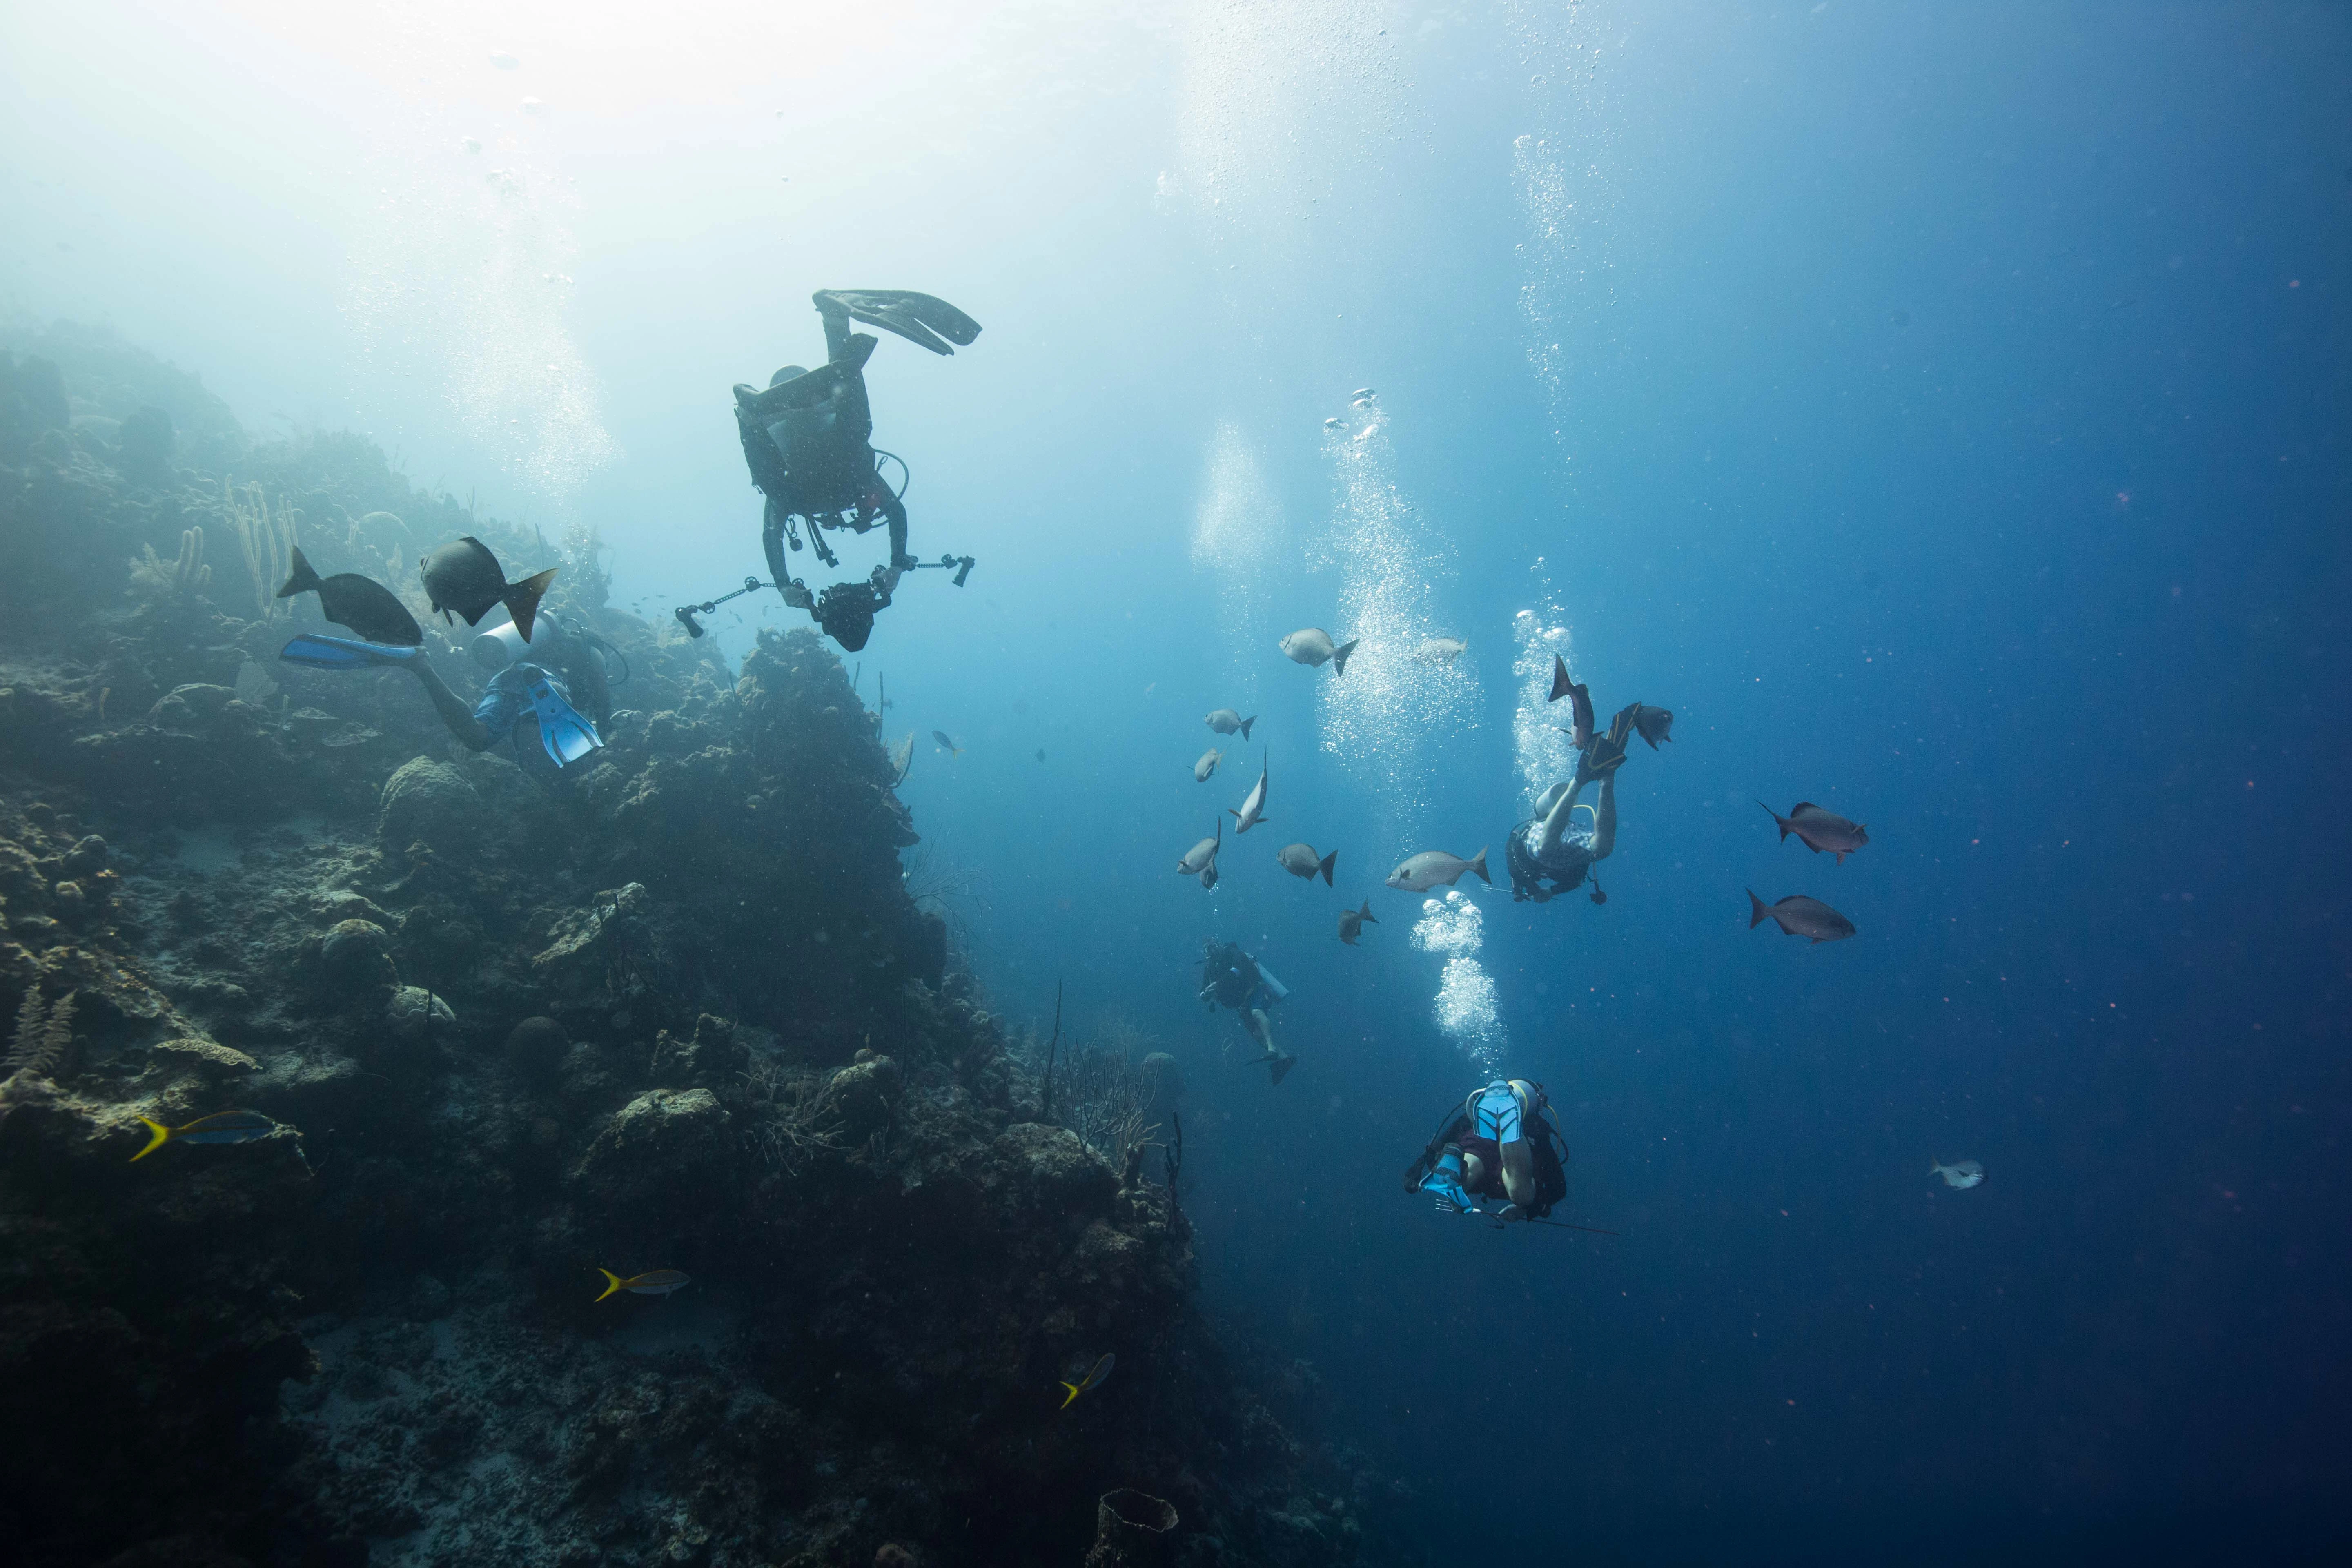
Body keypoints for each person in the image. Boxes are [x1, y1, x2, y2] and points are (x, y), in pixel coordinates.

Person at [732, 288, 980, 650]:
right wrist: (895, 564)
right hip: (790, 427)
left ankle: (834, 330)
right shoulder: (852, 488)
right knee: (846, 449)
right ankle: (756, 411)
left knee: (842, 447)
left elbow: (776, 531)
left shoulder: (841, 490)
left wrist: (784, 583)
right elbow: (893, 509)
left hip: (804, 428)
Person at [278, 632, 602, 784]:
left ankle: (421, 666)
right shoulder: (592, 654)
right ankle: (547, 691)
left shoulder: (538, 635)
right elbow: (606, 713)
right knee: (558, 709)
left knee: (477, 737)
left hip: (510, 678)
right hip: (551, 681)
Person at [1506, 702, 1643, 904]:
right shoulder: (1564, 870)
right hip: (1562, 843)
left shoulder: (1524, 868)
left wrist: (1529, 890)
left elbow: (1513, 862)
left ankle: (1579, 780)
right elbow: (1575, 881)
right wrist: (1549, 892)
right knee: (1603, 849)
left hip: (1538, 835)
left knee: (1545, 849)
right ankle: (1607, 778)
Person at [1403, 1078, 1570, 1221]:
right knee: (1521, 1193)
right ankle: (1509, 1126)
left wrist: (1427, 1161)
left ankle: (1459, 1182)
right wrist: (1527, 1210)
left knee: (1472, 1161)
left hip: (1477, 1136)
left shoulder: (1478, 1112)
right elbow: (1558, 1186)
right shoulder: (1536, 1126)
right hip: (1513, 1156)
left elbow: (1447, 1137)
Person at [1198, 938, 1296, 1085]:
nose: (1211, 952)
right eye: (1208, 950)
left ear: (1218, 945)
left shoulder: (1231, 952)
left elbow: (1237, 970)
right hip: (1242, 1003)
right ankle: (1284, 1058)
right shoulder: (1210, 969)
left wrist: (1218, 984)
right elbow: (1203, 990)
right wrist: (1205, 994)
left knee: (1257, 1012)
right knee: (1256, 1034)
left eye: (1212, 947)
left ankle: (1271, 1048)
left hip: (1257, 989)